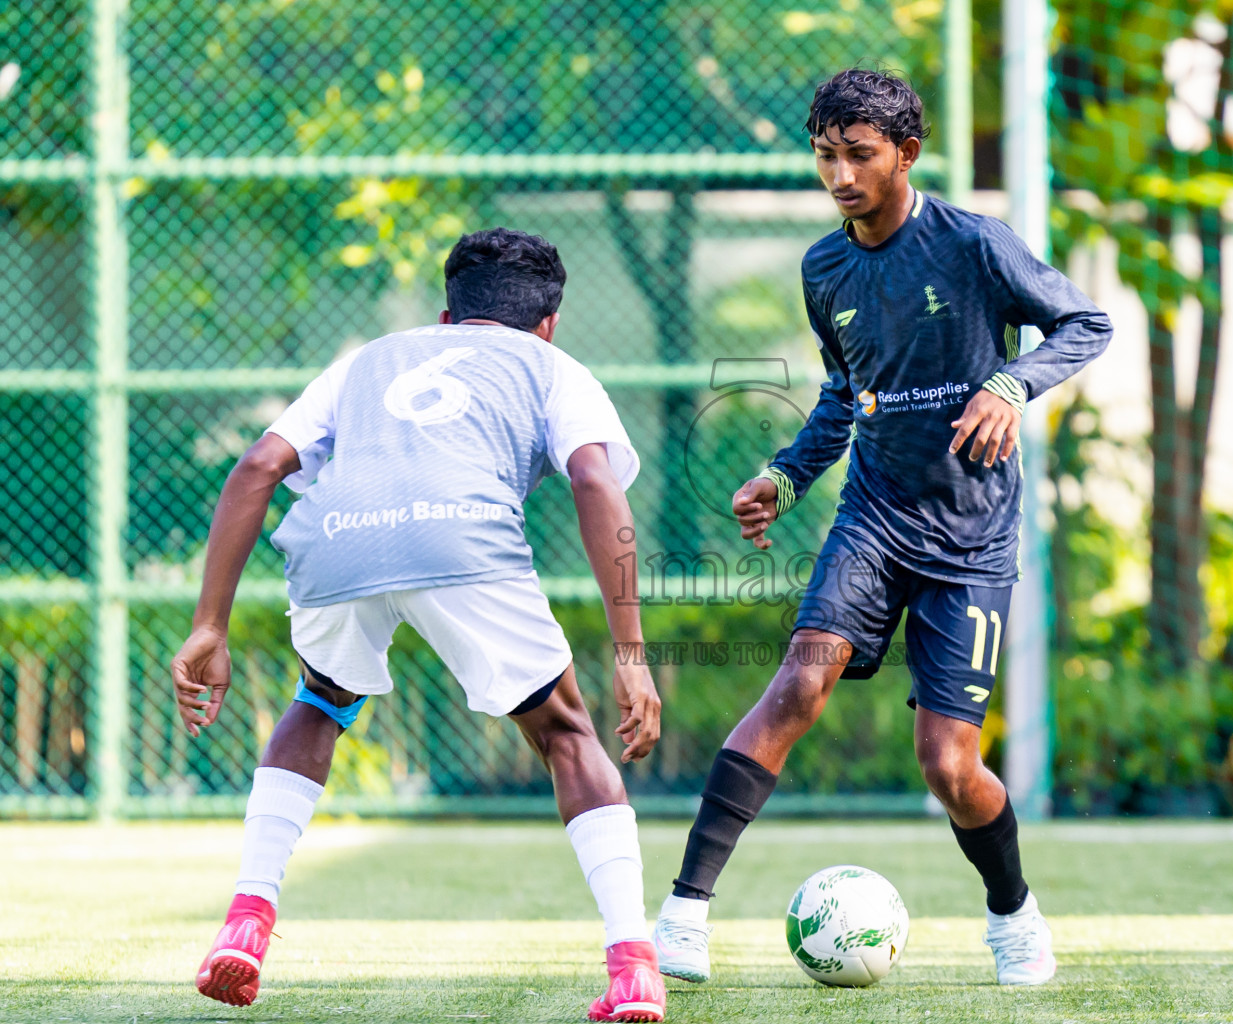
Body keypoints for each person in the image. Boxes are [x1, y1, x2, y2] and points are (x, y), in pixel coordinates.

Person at [650, 69, 1113, 987]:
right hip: (873, 517)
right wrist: (785, 474)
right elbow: (844, 391)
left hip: (972, 539)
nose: (840, 174)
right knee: (797, 684)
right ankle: (682, 914)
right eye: (826, 154)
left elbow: (1086, 321)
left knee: (947, 762)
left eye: (859, 154)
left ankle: (1013, 915)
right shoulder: (825, 269)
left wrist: (1009, 383)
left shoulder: (974, 244)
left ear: (905, 154)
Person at [170, 228, 668, 1021]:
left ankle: (246, 921)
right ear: (550, 323)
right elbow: (592, 479)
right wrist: (631, 654)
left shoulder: (369, 359)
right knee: (567, 733)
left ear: (446, 315)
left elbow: (259, 467)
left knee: (322, 700)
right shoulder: (554, 366)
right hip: (463, 538)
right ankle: (634, 966)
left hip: (336, 541)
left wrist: (209, 626)